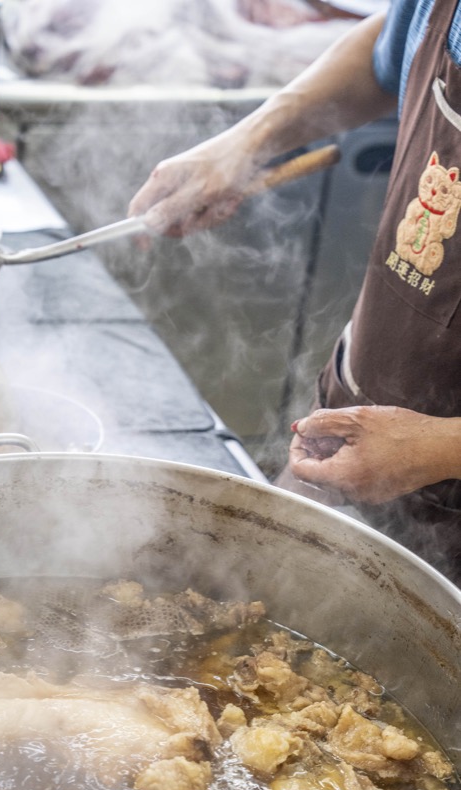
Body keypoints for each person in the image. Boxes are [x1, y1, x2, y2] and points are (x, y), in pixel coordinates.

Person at [128, 0, 461, 587]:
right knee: (234, 619)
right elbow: (393, 46)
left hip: (446, 504)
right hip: (352, 419)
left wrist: (437, 448)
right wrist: (247, 141)